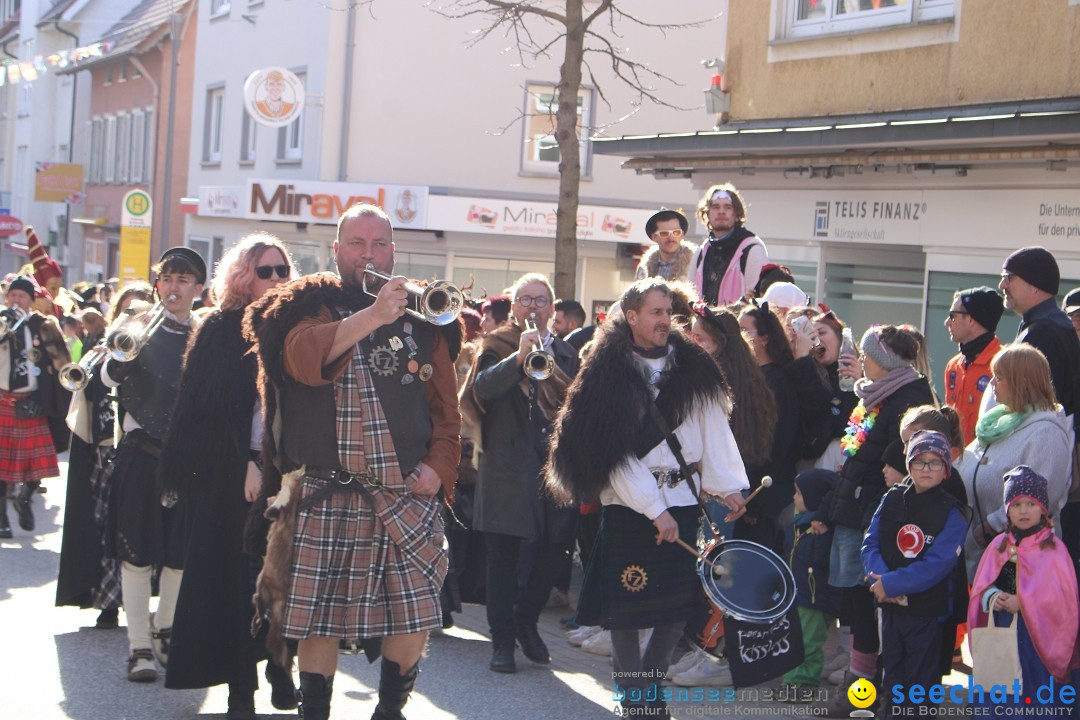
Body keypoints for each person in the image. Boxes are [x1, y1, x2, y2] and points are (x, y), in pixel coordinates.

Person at [244, 203, 460, 720]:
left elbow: (447, 415)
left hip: (406, 491)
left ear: (393, 249)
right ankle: (314, 711)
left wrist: (439, 466)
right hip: (325, 491)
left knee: (414, 614)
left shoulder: (424, 319)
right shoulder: (298, 309)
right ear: (336, 250)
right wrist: (373, 316)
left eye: (380, 243)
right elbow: (303, 359)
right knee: (317, 620)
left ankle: (390, 710)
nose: (370, 254)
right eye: (358, 244)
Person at [547, 278, 749, 717]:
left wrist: (729, 485)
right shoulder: (606, 371)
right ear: (631, 316)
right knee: (627, 610)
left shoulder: (692, 364)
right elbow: (613, 454)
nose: (664, 321)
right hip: (627, 503)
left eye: (667, 312)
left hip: (683, 496)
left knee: (675, 607)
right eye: (654, 312)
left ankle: (647, 686)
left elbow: (712, 427)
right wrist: (653, 509)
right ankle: (634, 697)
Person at [160, 234, 299, 719]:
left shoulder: (297, 324)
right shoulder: (221, 328)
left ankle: (281, 667)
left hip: (288, 472)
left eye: (284, 270)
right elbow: (202, 410)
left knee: (288, 580)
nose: (278, 279)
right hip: (232, 475)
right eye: (267, 271)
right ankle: (243, 689)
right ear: (244, 276)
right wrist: (242, 459)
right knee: (236, 585)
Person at [810, 325, 934, 718]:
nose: (860, 361)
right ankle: (861, 688)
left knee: (869, 603)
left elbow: (893, 465)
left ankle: (866, 692)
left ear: (884, 362)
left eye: (866, 355)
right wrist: (829, 511)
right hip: (855, 510)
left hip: (875, 515)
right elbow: (855, 456)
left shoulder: (908, 399)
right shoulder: (874, 395)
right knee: (854, 601)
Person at [460, 272, 579, 674]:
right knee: (503, 558)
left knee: (553, 551)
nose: (533, 306)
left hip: (551, 467)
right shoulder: (495, 345)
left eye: (541, 299)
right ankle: (502, 641)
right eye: (525, 299)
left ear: (553, 308)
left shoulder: (565, 353)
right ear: (513, 307)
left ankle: (527, 622)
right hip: (506, 467)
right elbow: (483, 391)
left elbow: (575, 403)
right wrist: (519, 358)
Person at [102, 247, 206, 683]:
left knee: (181, 553)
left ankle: (165, 629)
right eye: (168, 278)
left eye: (184, 280)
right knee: (137, 555)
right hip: (141, 455)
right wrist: (122, 355)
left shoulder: (206, 334)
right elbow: (104, 378)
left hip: (187, 459)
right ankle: (139, 647)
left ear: (198, 289)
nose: (174, 287)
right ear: (157, 283)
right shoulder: (135, 325)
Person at [862, 430, 967, 717]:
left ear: (946, 468)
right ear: (909, 465)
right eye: (920, 462)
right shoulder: (891, 499)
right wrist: (880, 579)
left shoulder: (953, 513)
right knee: (892, 677)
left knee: (920, 685)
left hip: (926, 613)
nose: (927, 469)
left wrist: (893, 583)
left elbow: (939, 563)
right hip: (890, 608)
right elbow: (871, 543)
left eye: (935, 462)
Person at [957, 344, 1073, 579]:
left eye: (998, 377)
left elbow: (1043, 497)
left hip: (1017, 566)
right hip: (979, 557)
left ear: (1022, 382)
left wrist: (992, 525)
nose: (991, 384)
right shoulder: (998, 423)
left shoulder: (1045, 432)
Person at [968, 466, 1079, 707]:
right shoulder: (998, 545)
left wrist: (1024, 602)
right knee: (1003, 692)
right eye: (1016, 504)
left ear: (1043, 508)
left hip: (1036, 641)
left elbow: (1063, 600)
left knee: (1033, 694)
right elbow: (982, 587)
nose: (1024, 510)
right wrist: (993, 597)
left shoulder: (1054, 550)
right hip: (1002, 633)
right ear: (1007, 510)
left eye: (1031, 504)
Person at [0, 275, 70, 537]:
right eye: (13, 295)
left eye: (22, 296)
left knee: (34, 468)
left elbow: (62, 362)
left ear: (31, 300)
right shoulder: (1, 322)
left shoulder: (44, 325)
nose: (16, 299)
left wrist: (52, 400)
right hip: (3, 399)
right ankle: (2, 520)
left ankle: (24, 498)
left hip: (33, 401)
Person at [737, 303, 800, 554]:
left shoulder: (777, 382)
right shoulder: (751, 377)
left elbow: (774, 445)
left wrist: (755, 502)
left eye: (744, 330)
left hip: (765, 496)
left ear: (763, 338)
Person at [780, 471, 841, 700]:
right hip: (799, 592)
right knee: (796, 638)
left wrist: (823, 537)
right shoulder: (798, 524)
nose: (794, 497)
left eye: (799, 493)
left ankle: (803, 683)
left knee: (808, 641)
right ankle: (792, 679)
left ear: (815, 497)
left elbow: (824, 561)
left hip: (816, 596)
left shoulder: (825, 528)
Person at [943, 287, 1004, 445]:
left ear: (971, 319)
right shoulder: (953, 366)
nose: (947, 322)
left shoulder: (1004, 365)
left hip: (987, 462)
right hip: (954, 461)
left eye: (952, 316)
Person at [689, 183, 768, 305]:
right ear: (707, 214)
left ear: (737, 214)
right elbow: (690, 296)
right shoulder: (701, 253)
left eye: (727, 207)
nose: (721, 212)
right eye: (715, 207)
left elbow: (756, 301)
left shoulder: (751, 250)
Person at [635, 209, 696, 283]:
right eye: (664, 233)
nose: (671, 238)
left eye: (676, 232)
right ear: (654, 237)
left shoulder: (695, 262)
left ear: (682, 234)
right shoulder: (645, 267)